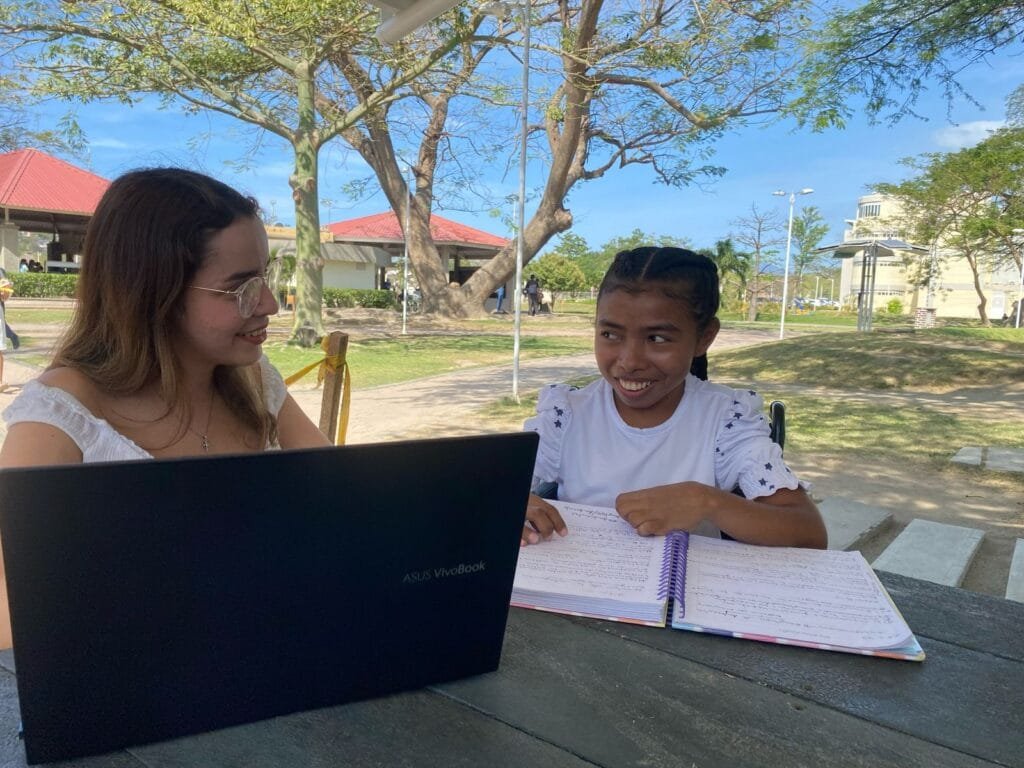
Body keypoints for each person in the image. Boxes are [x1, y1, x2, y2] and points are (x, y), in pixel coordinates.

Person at [0, 167, 330, 648]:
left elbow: (336, 505)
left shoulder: (256, 381)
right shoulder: (58, 418)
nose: (269, 304)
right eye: (240, 287)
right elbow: (11, 618)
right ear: (154, 293)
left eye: (266, 277)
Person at [522, 246, 826, 550]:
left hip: (688, 581)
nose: (630, 361)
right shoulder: (566, 415)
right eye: (610, 335)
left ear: (704, 338)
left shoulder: (726, 420)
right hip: (580, 578)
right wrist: (516, 504)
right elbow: (497, 486)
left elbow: (809, 532)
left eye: (657, 338)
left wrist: (707, 502)